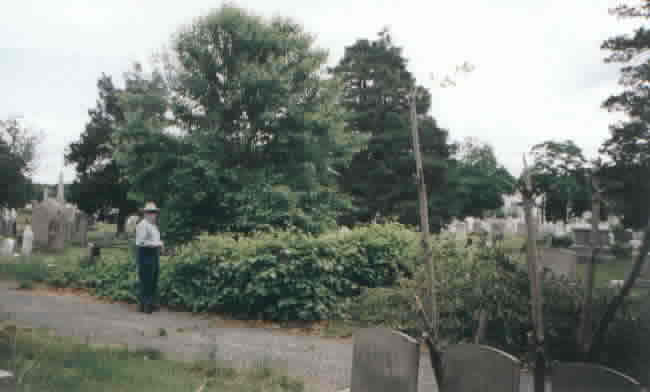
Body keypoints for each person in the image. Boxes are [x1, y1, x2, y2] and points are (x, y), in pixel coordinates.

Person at [135, 202, 164, 314]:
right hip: (145, 253)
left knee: (153, 278)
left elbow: (155, 240)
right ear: (145, 214)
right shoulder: (142, 225)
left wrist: (159, 244)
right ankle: (144, 305)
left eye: (155, 212)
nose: (153, 215)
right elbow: (141, 242)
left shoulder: (153, 226)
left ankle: (151, 303)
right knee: (146, 279)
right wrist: (157, 244)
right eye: (151, 212)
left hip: (153, 253)